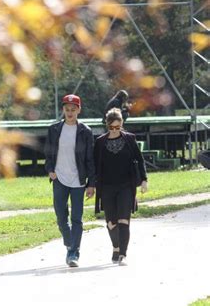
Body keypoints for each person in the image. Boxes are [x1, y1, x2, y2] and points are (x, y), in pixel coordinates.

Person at [44, 94, 96, 267]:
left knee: (76, 218)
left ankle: (73, 253)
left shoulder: (85, 131)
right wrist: (50, 170)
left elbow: (90, 159)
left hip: (78, 180)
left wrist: (91, 184)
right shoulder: (54, 130)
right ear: (63, 110)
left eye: (73, 109)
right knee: (61, 215)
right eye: (67, 109)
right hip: (59, 178)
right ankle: (69, 241)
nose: (70, 112)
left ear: (79, 110)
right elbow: (48, 152)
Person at [94, 108, 148, 266]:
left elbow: (140, 159)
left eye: (118, 127)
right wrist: (91, 185)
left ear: (122, 125)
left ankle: (123, 253)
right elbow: (95, 165)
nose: (115, 130)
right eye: (112, 127)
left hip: (126, 186)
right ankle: (116, 247)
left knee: (124, 220)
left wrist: (144, 180)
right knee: (111, 222)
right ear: (107, 125)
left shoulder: (130, 139)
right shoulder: (100, 142)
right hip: (106, 187)